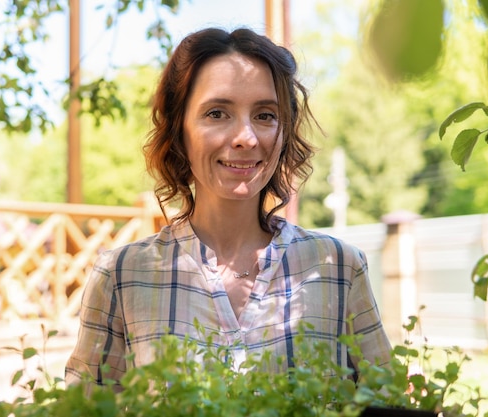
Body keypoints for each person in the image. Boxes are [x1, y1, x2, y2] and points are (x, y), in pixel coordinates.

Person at [65, 27, 391, 392]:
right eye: (217, 113)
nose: (246, 137)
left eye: (266, 115)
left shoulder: (338, 269)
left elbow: (387, 402)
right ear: (179, 130)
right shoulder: (121, 277)